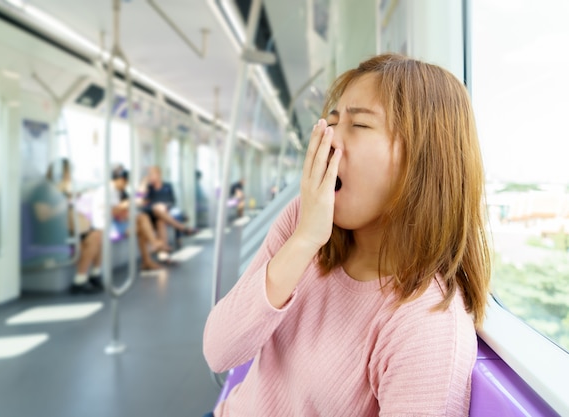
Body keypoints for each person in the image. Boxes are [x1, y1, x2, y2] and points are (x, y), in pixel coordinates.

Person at [203, 54, 491, 416]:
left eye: (359, 125)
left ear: (422, 160)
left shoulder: (427, 326)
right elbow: (219, 351)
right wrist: (305, 240)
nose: (329, 139)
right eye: (333, 121)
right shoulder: (301, 222)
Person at [30, 158, 103, 295]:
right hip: (55, 234)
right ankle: (80, 281)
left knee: (99, 235)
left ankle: (95, 274)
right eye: (68, 173)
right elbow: (42, 216)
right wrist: (63, 203)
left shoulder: (59, 191)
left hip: (72, 231)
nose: (70, 177)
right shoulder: (43, 191)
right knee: (94, 238)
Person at [109, 168, 168, 272]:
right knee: (143, 220)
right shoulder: (110, 191)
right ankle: (153, 245)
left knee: (143, 222)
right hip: (112, 227)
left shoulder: (117, 191)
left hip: (120, 222)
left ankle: (148, 259)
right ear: (121, 180)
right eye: (126, 183)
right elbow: (114, 211)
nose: (126, 186)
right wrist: (128, 204)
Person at [139, 166, 196, 249]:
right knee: (157, 210)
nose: (151, 177)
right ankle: (182, 228)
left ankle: (164, 251)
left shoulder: (167, 186)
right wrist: (144, 183)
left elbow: (172, 201)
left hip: (164, 213)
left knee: (161, 221)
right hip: (151, 214)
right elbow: (141, 202)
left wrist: (165, 206)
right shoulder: (148, 187)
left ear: (158, 175)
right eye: (149, 175)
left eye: (152, 175)